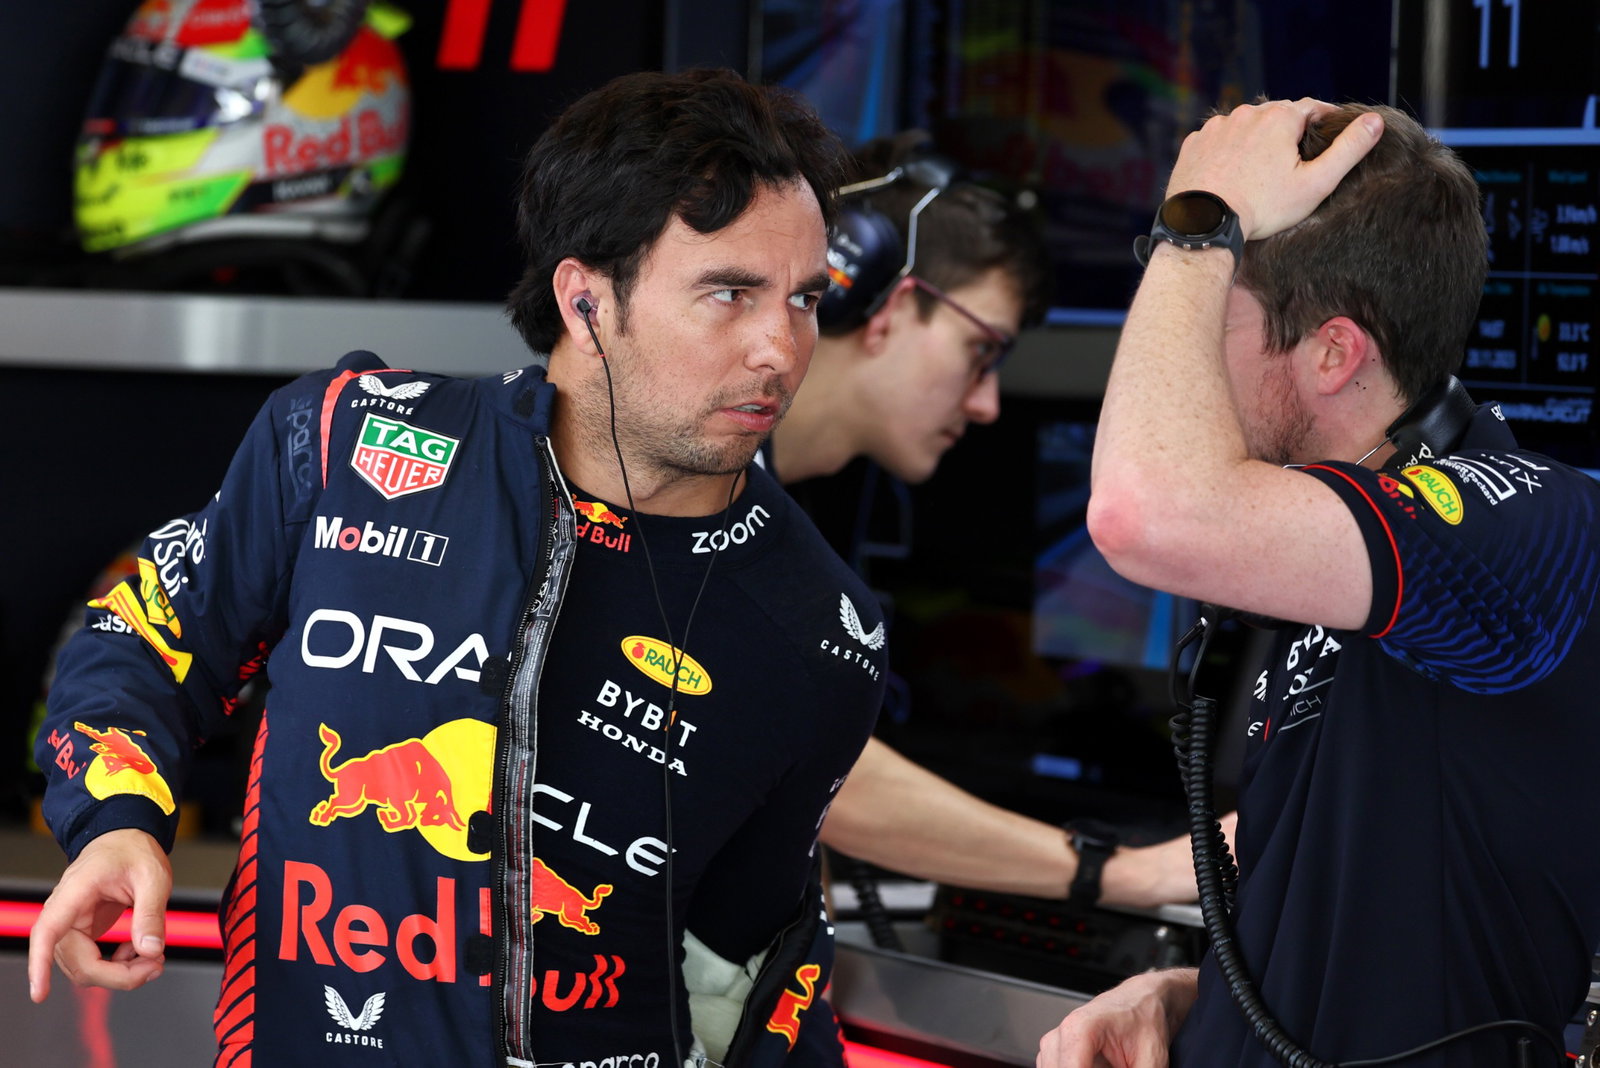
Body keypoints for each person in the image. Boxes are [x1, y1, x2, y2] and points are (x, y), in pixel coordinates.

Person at [29, 68, 888, 1066]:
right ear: (586, 300)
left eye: (805, 300)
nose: (779, 348)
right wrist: (117, 825)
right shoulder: (345, 442)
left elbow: (758, 970)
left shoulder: (822, 626)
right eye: (729, 294)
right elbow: (139, 638)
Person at [1038, 99, 1600, 1066]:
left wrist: (1199, 225)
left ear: (1334, 353)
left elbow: (1143, 514)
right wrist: (1192, 1000)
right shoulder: (1339, 566)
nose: (1179, 372)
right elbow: (1370, 930)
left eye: (1215, 315)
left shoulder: (1531, 523)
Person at [775, 134, 1217, 907]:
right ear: (893, 305)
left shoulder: (784, 505)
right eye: (980, 352)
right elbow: (815, 768)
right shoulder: (693, 488)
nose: (986, 404)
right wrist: (1126, 872)